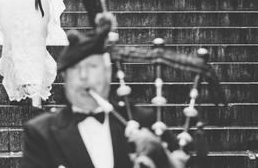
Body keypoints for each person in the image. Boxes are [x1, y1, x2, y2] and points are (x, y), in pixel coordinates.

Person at [21, 14, 190, 168]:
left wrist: (161, 158)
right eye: (75, 69)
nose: (83, 76)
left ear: (107, 73)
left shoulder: (143, 121)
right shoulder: (41, 133)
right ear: (64, 77)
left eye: (92, 66)